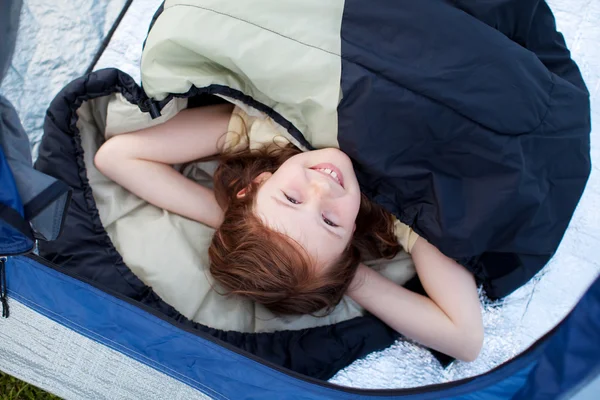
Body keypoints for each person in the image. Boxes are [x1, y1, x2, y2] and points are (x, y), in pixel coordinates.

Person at [94, 103, 483, 362]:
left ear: (255, 185)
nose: (321, 191)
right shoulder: (405, 212)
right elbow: (465, 341)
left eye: (291, 199)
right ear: (350, 242)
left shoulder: (259, 131)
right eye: (330, 222)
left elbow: (115, 157)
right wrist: (345, 275)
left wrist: (237, 220)